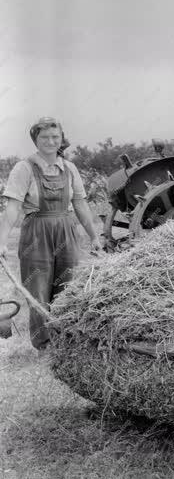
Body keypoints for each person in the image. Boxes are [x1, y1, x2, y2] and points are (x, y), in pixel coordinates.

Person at [0, 117, 102, 351]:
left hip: (66, 230)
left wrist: (94, 236)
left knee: (69, 284)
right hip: (36, 231)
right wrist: (1, 242)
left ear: (61, 139)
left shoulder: (70, 168)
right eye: (44, 137)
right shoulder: (24, 168)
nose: (50, 141)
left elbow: (80, 205)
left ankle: (67, 343)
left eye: (55, 137)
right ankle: (44, 345)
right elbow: (13, 207)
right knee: (37, 287)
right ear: (35, 139)